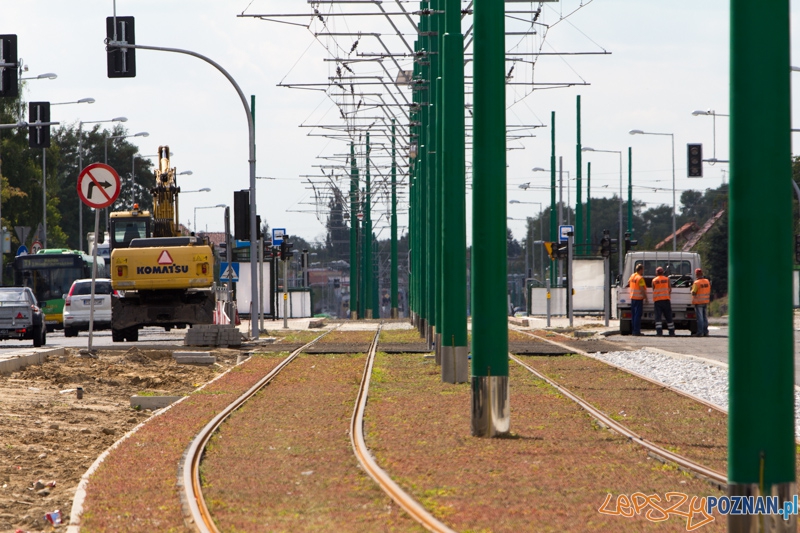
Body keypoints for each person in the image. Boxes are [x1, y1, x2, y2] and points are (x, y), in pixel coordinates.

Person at [652, 266, 675, 336]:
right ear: (662, 272)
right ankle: (671, 332)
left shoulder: (654, 280)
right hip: (666, 300)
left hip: (657, 301)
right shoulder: (667, 279)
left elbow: (653, 289)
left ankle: (659, 332)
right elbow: (670, 289)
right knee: (668, 317)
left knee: (658, 317)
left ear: (656, 273)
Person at [691, 268, 711, 337]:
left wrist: (691, 290)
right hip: (705, 301)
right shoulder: (707, 281)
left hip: (699, 302)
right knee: (705, 317)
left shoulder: (696, 283)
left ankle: (700, 332)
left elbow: (693, 292)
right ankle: (706, 332)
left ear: (696, 274)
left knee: (700, 318)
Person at [628, 263, 647, 336]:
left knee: (633, 315)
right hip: (639, 298)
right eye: (643, 270)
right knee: (637, 315)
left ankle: (634, 330)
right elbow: (642, 289)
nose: (643, 271)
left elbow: (628, 282)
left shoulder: (632, 276)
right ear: (641, 270)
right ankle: (636, 331)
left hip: (633, 298)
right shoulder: (640, 278)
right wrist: (645, 298)